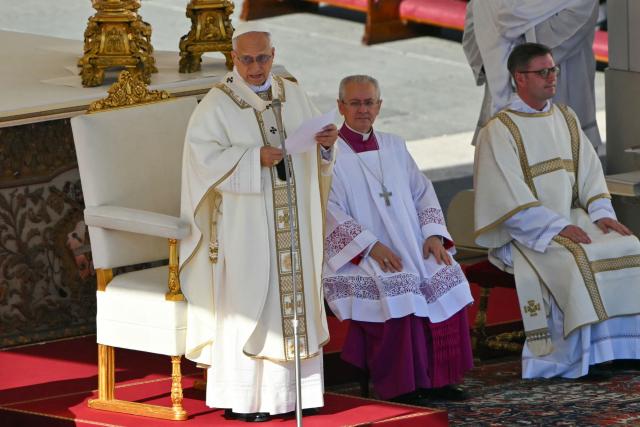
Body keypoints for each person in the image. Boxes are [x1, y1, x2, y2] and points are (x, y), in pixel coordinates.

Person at [179, 21, 338, 422]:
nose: (255, 67)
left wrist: (326, 145)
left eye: (263, 58)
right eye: (247, 59)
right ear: (233, 59)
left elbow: (316, 149)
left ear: (273, 56)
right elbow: (202, 164)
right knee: (252, 300)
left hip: (293, 222)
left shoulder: (292, 93)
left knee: (293, 296)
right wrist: (253, 159)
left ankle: (298, 394)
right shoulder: (217, 104)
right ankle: (249, 399)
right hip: (246, 224)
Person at [474, 43, 640, 379]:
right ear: (519, 78)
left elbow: (590, 172)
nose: (552, 77)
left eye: (554, 70)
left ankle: (624, 349)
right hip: (529, 231)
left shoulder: (565, 116)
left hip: (573, 216)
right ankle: (580, 358)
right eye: (543, 72)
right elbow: (506, 196)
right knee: (577, 257)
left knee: (630, 246)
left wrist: (601, 211)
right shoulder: (499, 130)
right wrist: (554, 227)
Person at [322, 75, 474, 403]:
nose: (363, 109)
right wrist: (369, 247)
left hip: (412, 245)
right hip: (360, 255)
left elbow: (422, 192)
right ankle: (404, 385)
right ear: (340, 106)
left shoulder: (395, 145)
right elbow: (328, 210)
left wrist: (434, 235)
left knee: (449, 275)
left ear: (379, 106)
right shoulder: (329, 156)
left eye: (369, 102)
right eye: (355, 103)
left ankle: (439, 380)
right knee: (401, 290)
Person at [463, 0, 602, 150]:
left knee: (558, 162)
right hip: (512, 96)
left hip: (557, 98)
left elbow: (477, 25)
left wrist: (497, 52)